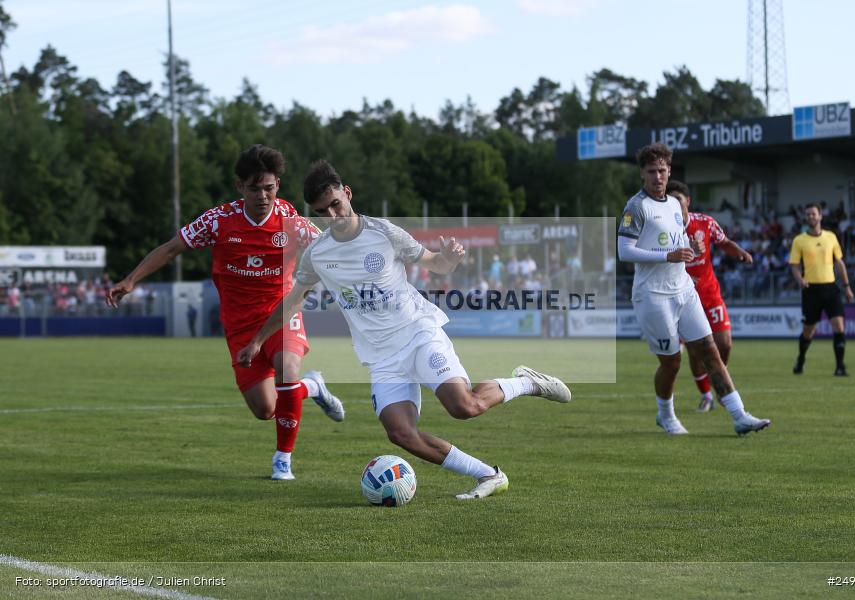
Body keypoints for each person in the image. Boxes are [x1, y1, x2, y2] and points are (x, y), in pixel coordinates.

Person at [238, 159, 572, 500]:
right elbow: (293, 301)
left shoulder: (384, 232)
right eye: (322, 212)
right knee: (400, 433)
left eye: (336, 204)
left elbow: (435, 264)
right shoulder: (318, 254)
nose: (332, 216)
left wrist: (449, 258)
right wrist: (257, 341)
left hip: (418, 334)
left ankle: (527, 382)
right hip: (381, 357)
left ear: (347, 194)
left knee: (464, 407)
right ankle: (489, 475)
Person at [106, 144, 345, 481]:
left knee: (287, 370)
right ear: (240, 187)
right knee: (266, 410)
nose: (263, 196)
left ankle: (283, 461)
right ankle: (314, 387)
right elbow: (172, 248)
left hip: (280, 315)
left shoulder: (292, 221)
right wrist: (131, 279)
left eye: (270, 187)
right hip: (239, 326)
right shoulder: (218, 221)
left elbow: (330, 254)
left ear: (278, 185)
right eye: (255, 188)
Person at [616, 143, 770, 436]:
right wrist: (668, 256)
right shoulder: (636, 207)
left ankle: (739, 416)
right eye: (651, 171)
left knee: (710, 349)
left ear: (669, 171)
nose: (657, 176)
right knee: (672, 362)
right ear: (642, 174)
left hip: (684, 290)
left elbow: (677, 244)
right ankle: (666, 415)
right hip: (653, 296)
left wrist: (692, 246)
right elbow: (625, 251)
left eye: (662, 170)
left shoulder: (674, 205)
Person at [666, 180, 755, 412]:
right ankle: (706, 395)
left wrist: (740, 252)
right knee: (696, 350)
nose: (675, 204)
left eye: (679, 200)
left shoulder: (704, 222)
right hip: (681, 298)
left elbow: (723, 242)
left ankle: (717, 378)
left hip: (709, 294)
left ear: (688, 202)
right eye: (671, 200)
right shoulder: (663, 229)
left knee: (724, 344)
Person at [789, 203, 854, 376]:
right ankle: (801, 359)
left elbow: (839, 263)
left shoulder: (831, 237)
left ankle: (840, 367)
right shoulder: (799, 240)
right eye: (808, 214)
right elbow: (794, 265)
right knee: (809, 331)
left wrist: (846, 286)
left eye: (813, 214)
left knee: (839, 326)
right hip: (811, 290)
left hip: (831, 288)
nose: (811, 217)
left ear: (820, 216)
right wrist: (800, 279)